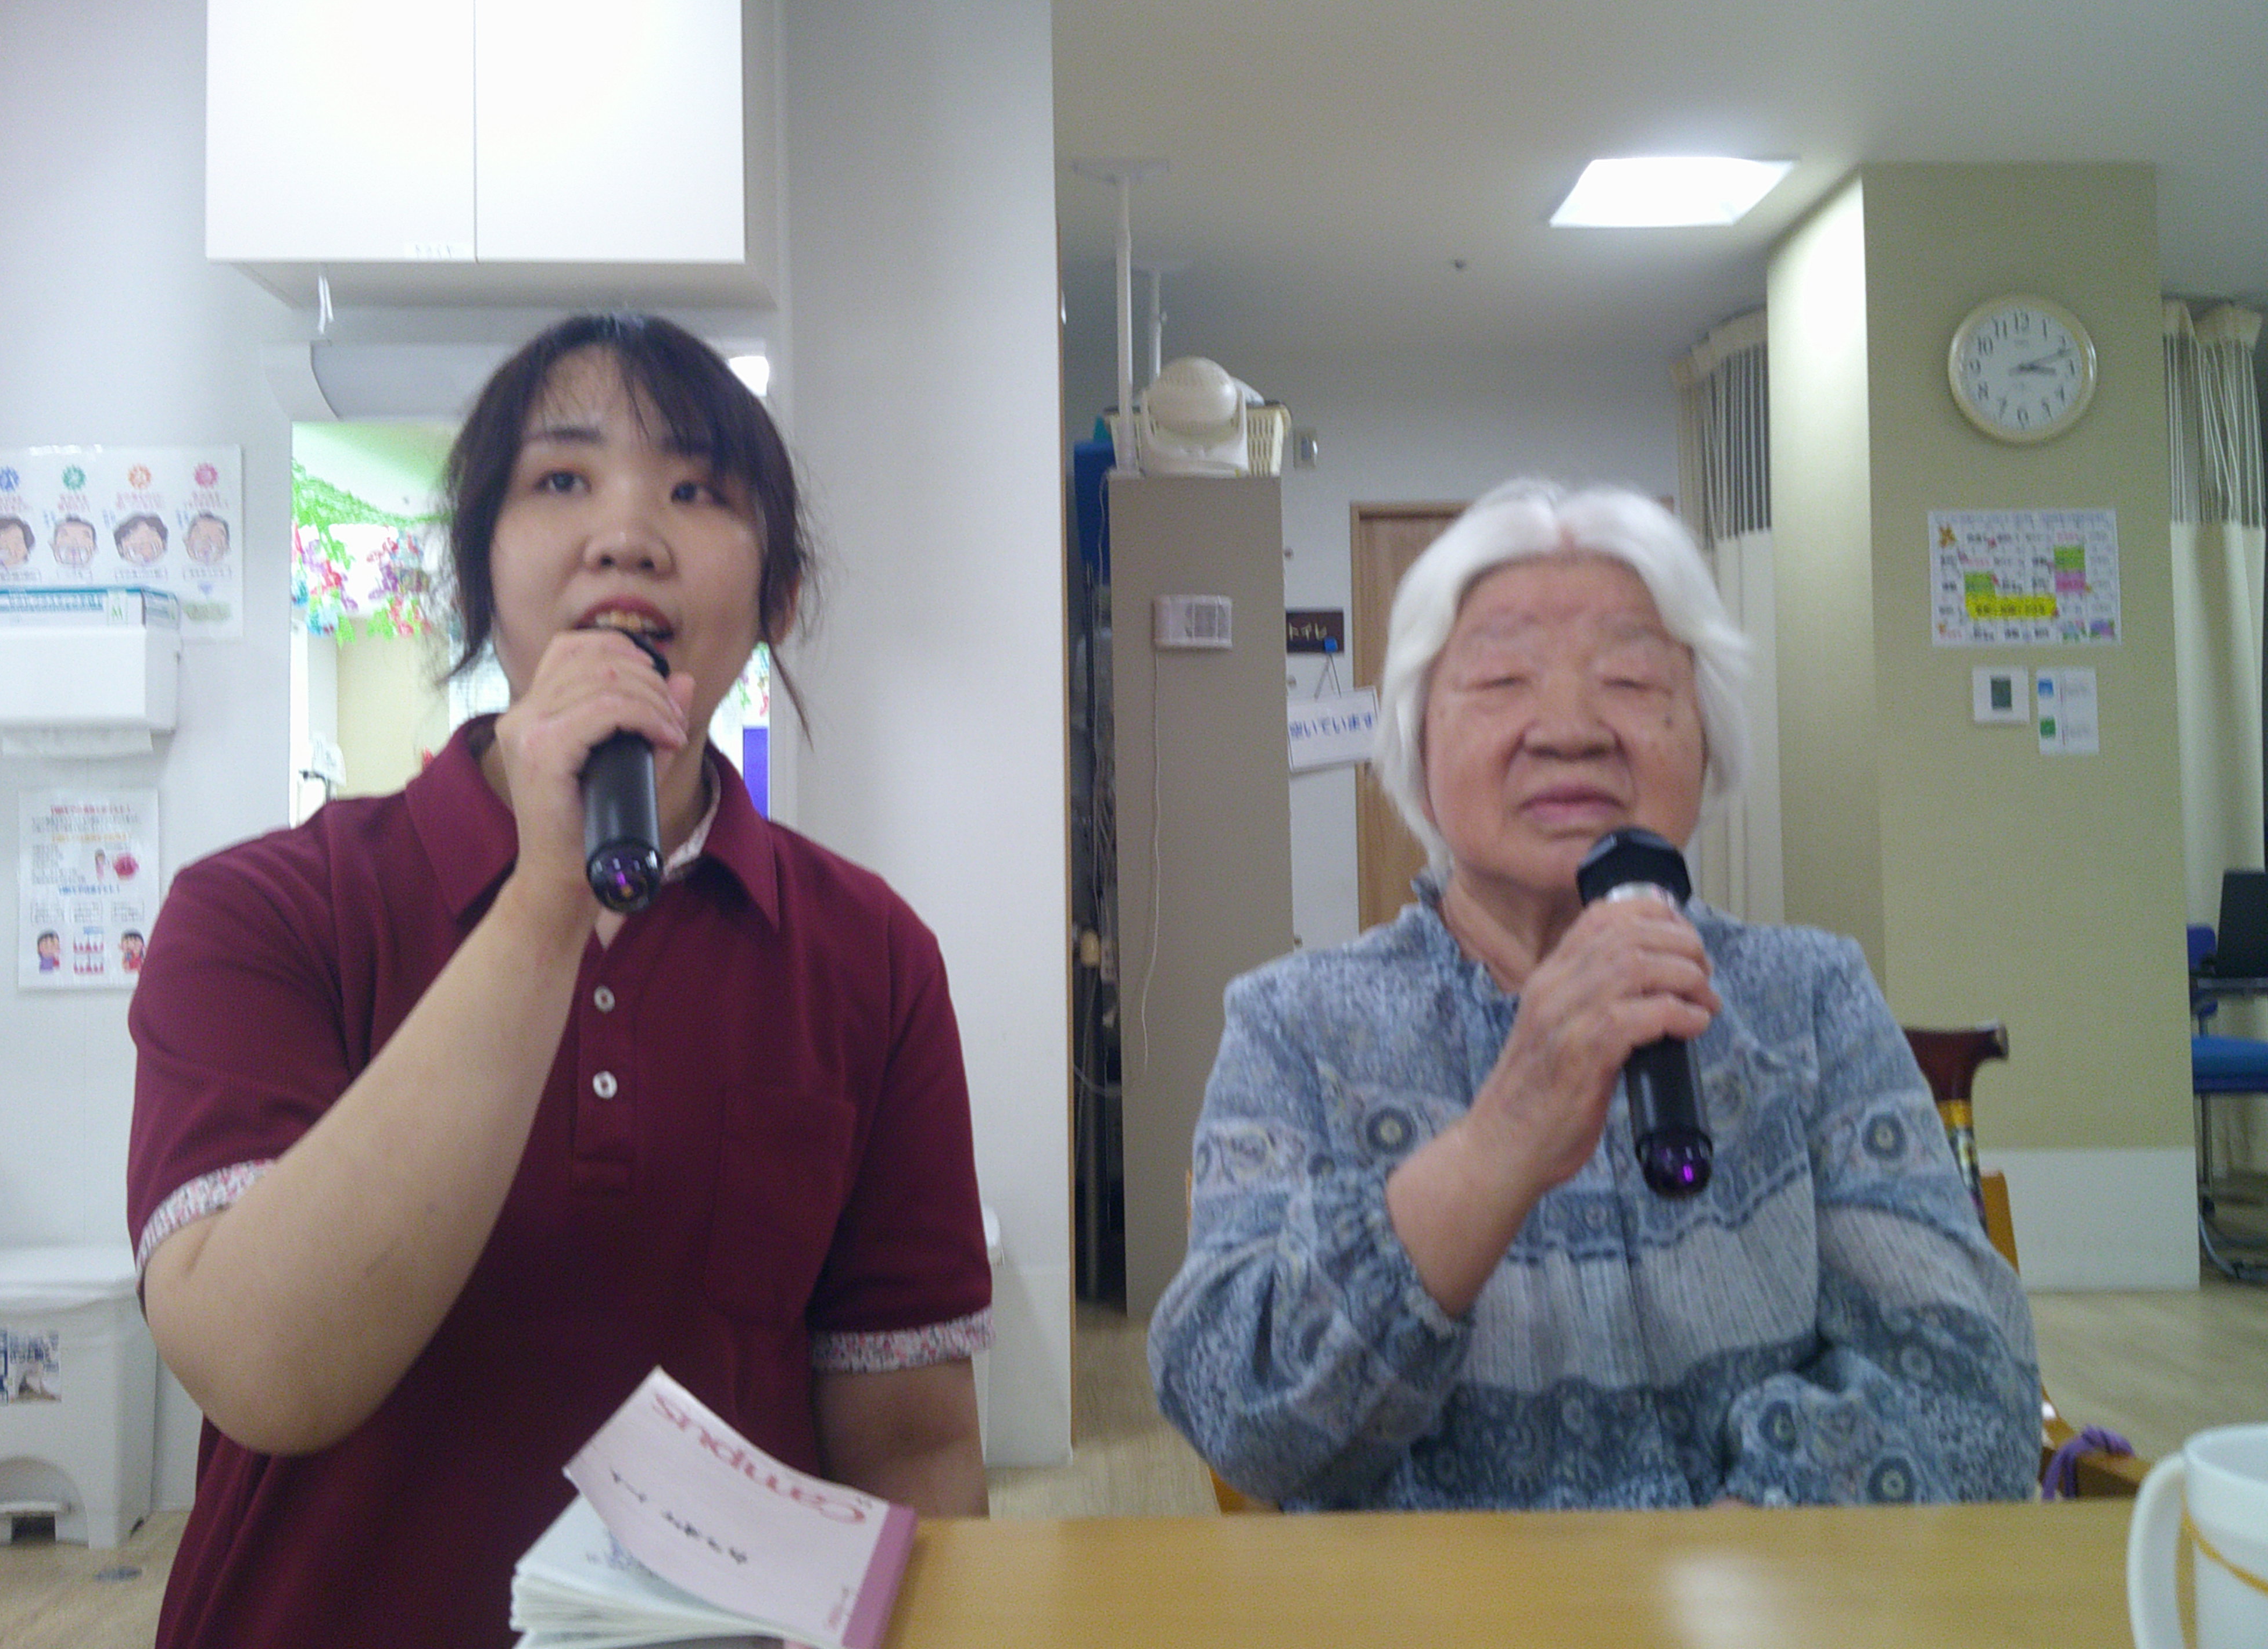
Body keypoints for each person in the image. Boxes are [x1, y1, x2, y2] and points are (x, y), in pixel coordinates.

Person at [127, 313, 993, 1649]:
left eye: (696, 490)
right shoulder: (263, 912)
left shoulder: (871, 956)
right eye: (562, 479)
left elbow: (911, 1443)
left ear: (779, 597)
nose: (627, 534)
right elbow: (262, 1369)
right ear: (478, 575)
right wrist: (546, 902)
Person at [1151, 480, 2039, 1512]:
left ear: (1705, 739)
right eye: (1501, 681)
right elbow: (1239, 1415)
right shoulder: (1297, 1023)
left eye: (1630, 680)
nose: (1569, 729)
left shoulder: (1810, 998)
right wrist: (1499, 1141)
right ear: (1418, 749)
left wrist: (1730, 1563)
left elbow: (1968, 1391)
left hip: (1771, 1595)